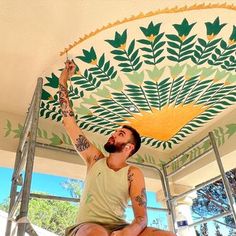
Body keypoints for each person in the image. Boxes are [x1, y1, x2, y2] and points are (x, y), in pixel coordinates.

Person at [59, 60, 176, 236]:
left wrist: (126, 233)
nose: (112, 134)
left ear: (129, 147)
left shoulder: (132, 173)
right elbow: (69, 123)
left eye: (120, 134)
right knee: (97, 234)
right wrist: (63, 79)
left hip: (119, 228)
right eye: (115, 132)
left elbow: (141, 218)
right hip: (87, 227)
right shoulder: (94, 159)